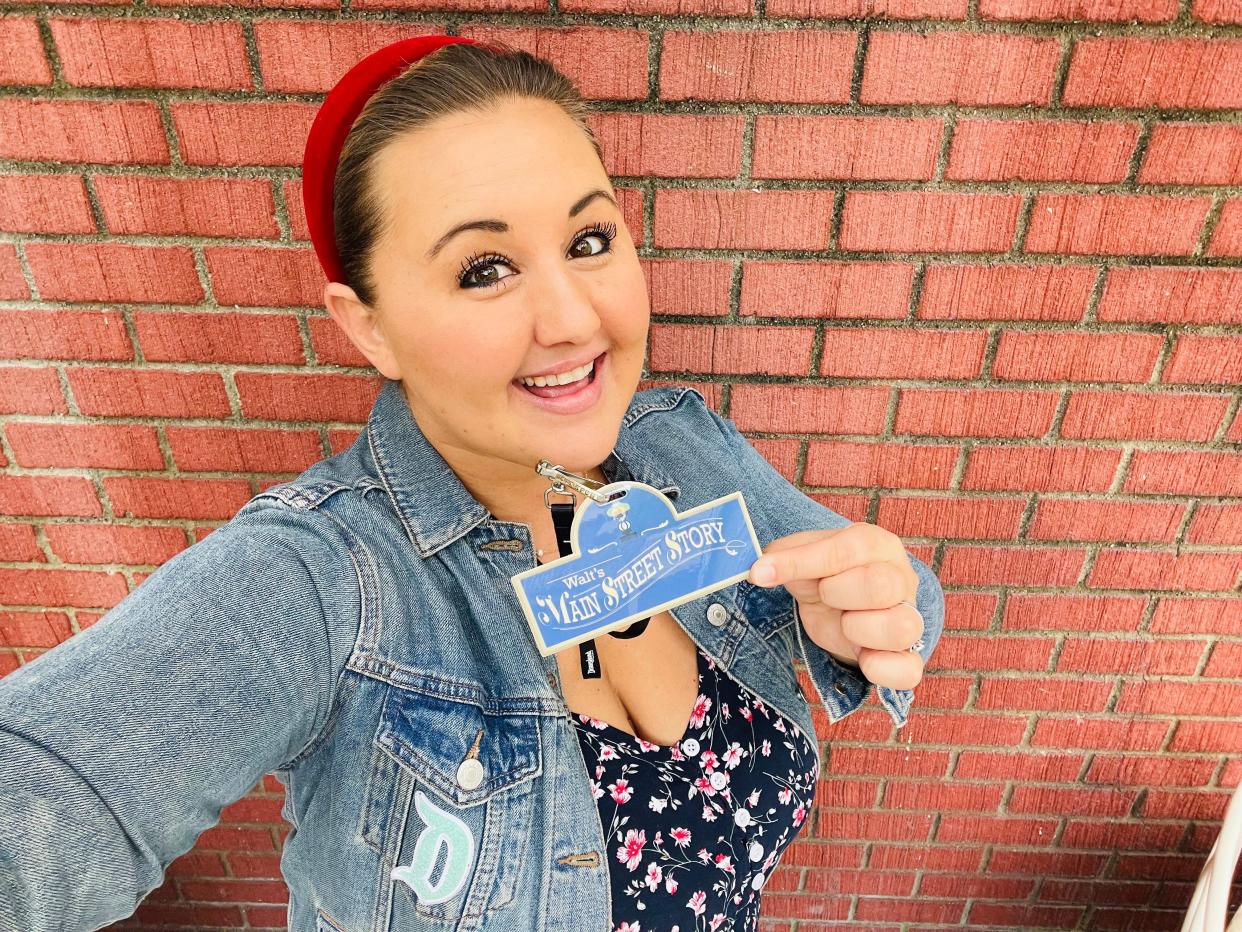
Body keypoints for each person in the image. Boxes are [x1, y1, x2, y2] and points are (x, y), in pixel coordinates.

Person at [0, 37, 944, 932]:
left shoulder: (685, 447)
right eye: (485, 268)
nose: (573, 318)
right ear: (366, 326)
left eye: (588, 240)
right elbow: (44, 800)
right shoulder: (326, 582)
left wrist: (878, 610)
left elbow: (891, 598)